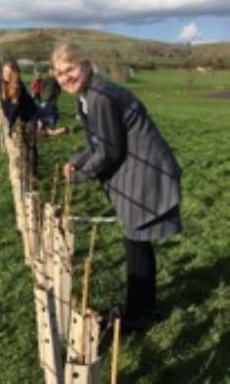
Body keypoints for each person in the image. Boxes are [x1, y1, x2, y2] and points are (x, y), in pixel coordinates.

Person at [51, 43, 182, 331]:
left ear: (85, 65)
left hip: (144, 171)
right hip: (136, 170)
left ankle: (139, 314)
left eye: (70, 68)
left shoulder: (99, 96)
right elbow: (96, 143)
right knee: (136, 239)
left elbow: (110, 151)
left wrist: (80, 174)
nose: (66, 77)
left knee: (136, 239)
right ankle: (142, 307)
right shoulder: (88, 95)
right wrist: (78, 160)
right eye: (59, 73)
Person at [0, 60, 38, 185]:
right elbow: (6, 107)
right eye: (5, 72)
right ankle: (24, 170)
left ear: (14, 74)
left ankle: (32, 174)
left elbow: (14, 109)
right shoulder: (1, 84)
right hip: (20, 116)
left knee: (30, 145)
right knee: (23, 145)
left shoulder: (17, 86)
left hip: (30, 116)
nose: (7, 75)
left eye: (10, 72)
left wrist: (9, 125)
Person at [37, 67, 67, 135]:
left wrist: (55, 96)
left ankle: (53, 129)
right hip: (46, 101)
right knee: (42, 116)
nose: (52, 72)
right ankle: (58, 129)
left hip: (50, 101)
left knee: (48, 117)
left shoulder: (55, 80)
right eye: (51, 71)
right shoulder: (47, 79)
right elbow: (42, 88)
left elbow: (59, 89)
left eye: (53, 71)